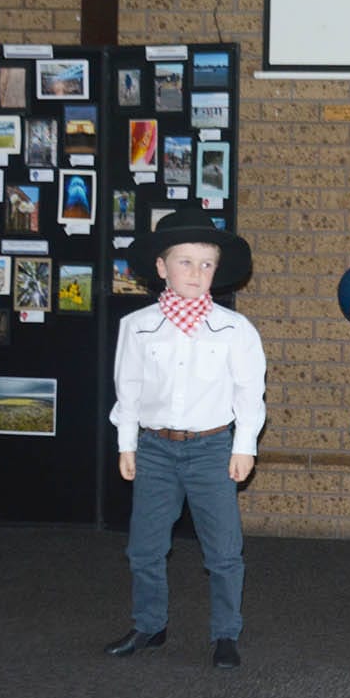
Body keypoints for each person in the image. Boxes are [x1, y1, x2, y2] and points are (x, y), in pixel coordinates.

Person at [104, 205, 266, 670]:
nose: (196, 272)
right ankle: (149, 624)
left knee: (222, 550)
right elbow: (128, 390)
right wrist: (127, 444)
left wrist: (244, 446)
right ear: (161, 267)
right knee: (145, 547)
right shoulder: (137, 327)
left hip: (213, 449)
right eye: (185, 261)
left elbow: (248, 394)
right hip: (155, 449)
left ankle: (225, 634)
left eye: (206, 263)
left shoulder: (236, 331)